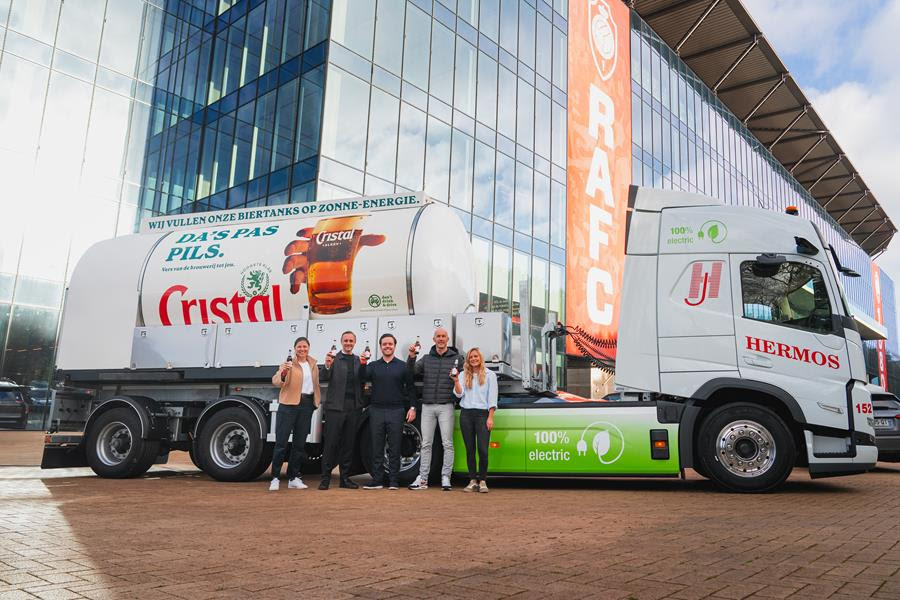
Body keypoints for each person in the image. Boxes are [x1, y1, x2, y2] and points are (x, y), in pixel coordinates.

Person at [406, 327, 461, 491]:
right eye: (438, 336)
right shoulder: (426, 358)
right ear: (434, 339)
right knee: (426, 444)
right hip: (428, 406)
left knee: (447, 444)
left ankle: (446, 477)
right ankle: (423, 479)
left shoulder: (458, 358)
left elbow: (466, 378)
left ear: (448, 339)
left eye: (444, 336)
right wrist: (411, 357)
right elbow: (411, 371)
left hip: (447, 406)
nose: (441, 339)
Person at [362, 333, 416, 490]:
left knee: (395, 447)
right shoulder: (373, 366)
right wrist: (364, 363)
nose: (387, 346)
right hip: (376, 410)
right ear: (380, 347)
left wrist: (412, 407)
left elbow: (411, 388)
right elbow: (362, 377)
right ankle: (377, 481)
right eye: (384, 344)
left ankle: (394, 481)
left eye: (390, 344)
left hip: (396, 410)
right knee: (377, 447)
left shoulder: (402, 366)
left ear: (394, 346)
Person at [269, 337, 321, 491]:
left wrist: (316, 401)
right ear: (295, 348)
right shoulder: (289, 363)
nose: (302, 349)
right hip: (289, 405)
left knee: (299, 444)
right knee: (281, 443)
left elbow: (315, 384)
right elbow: (277, 381)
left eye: (305, 347)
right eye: (299, 347)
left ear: (309, 348)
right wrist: (284, 372)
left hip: (306, 404)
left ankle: (293, 477)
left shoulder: (313, 364)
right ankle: (275, 477)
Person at [318, 331, 366, 490]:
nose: (348, 343)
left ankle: (344, 478)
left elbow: (364, 378)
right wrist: (326, 365)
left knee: (348, 444)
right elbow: (323, 376)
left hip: (354, 408)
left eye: (351, 340)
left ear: (355, 342)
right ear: (341, 342)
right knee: (331, 443)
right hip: (335, 408)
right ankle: (325, 478)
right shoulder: (334, 359)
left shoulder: (359, 360)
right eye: (346, 340)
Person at [453, 348, 497, 493]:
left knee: (483, 450)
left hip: (483, 415)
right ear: (468, 359)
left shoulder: (490, 375)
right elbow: (459, 395)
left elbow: (492, 398)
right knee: (470, 450)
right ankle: (472, 480)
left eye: (476, 356)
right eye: (471, 357)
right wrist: (455, 381)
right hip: (466, 414)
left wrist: (490, 417)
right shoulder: (462, 375)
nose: (473, 359)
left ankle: (483, 481)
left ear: (480, 357)